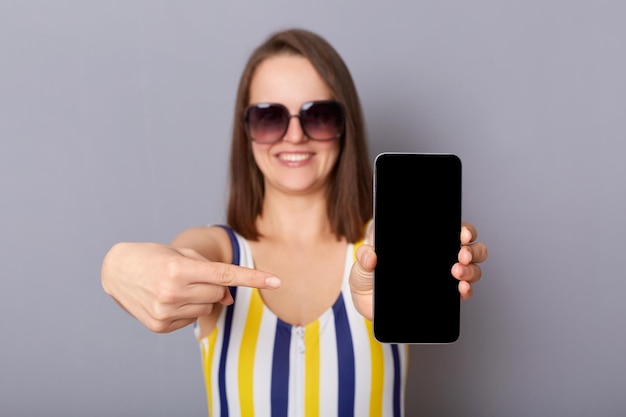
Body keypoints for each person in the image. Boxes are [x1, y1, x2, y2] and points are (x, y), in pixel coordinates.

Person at [101, 28, 487, 417]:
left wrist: (412, 267)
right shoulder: (219, 253)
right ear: (246, 131)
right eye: (270, 117)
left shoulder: (380, 252)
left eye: (318, 115)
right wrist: (115, 265)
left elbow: (379, 246)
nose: (295, 135)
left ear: (344, 126)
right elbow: (180, 256)